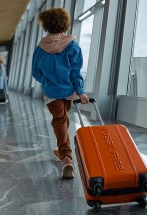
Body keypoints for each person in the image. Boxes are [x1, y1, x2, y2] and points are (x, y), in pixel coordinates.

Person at [32, 8, 89, 179]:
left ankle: (66, 157)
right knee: (63, 119)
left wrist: (48, 81)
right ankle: (63, 152)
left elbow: (36, 72)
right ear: (64, 23)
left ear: (46, 25)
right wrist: (80, 91)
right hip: (69, 90)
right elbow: (75, 71)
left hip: (52, 92)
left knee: (60, 120)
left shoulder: (40, 48)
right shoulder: (72, 45)